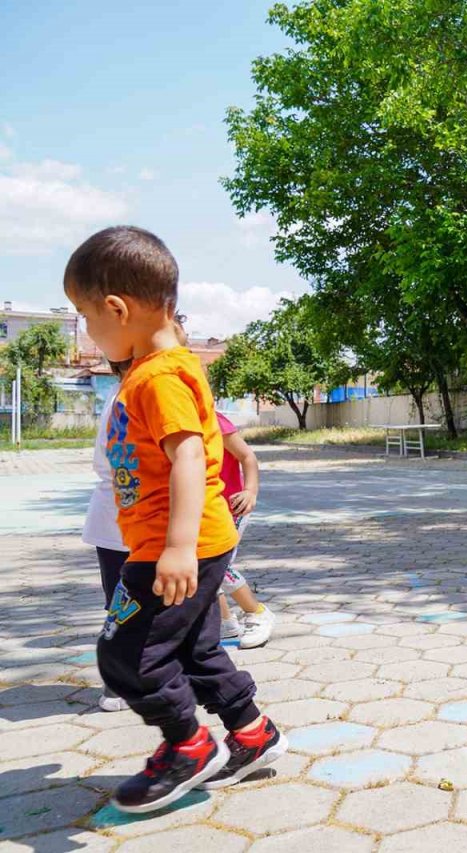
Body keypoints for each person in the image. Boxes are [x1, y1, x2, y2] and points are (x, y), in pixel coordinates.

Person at [64, 226, 287, 813]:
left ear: (117, 309)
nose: (88, 331)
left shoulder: (160, 376)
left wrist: (179, 548)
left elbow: (189, 456)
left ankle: (188, 746)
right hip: (182, 543)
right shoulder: (154, 368)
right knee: (193, 649)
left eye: (86, 317)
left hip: (174, 547)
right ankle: (253, 735)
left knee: (126, 655)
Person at [81, 359, 133, 712]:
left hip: (119, 518)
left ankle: (124, 680)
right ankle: (117, 683)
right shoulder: (129, 397)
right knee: (123, 605)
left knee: (124, 604)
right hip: (126, 519)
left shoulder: (121, 393)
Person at [214, 412, 275, 648]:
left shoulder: (214, 421)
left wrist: (250, 491)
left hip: (232, 508)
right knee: (205, 571)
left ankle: (257, 612)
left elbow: (247, 456)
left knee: (217, 566)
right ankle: (225, 623)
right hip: (202, 511)